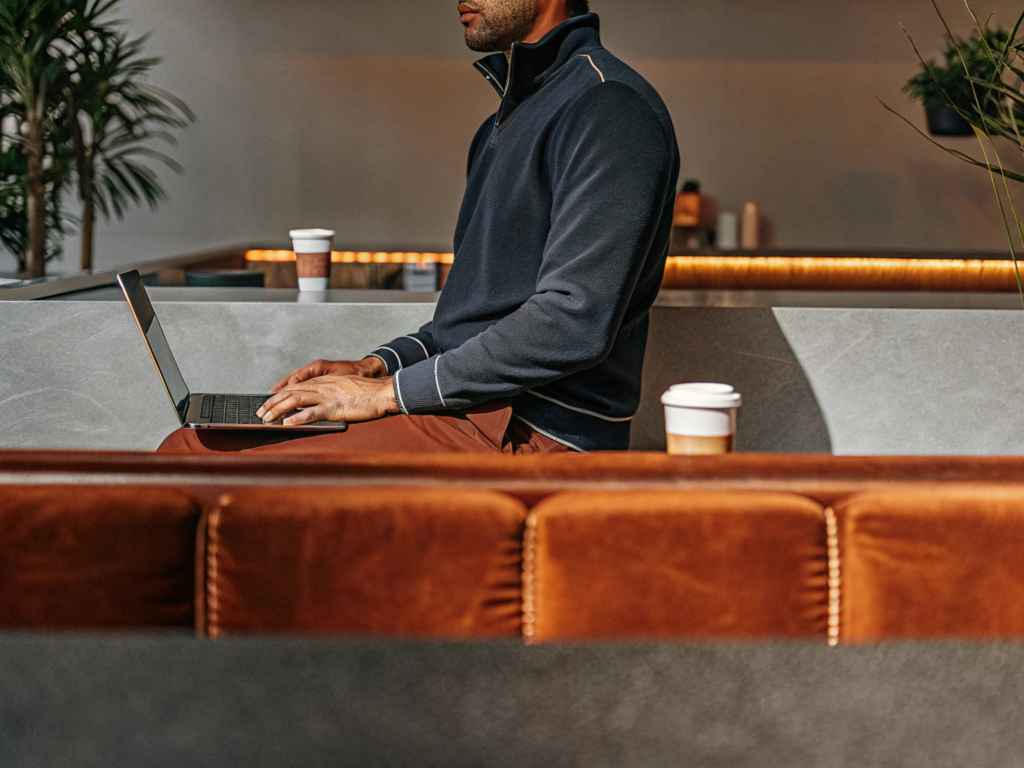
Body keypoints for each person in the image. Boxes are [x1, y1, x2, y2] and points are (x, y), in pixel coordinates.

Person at [159, 0, 680, 456]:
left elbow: (571, 320)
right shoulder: (503, 126)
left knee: (190, 457)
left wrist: (388, 396)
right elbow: (467, 324)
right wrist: (377, 368)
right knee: (195, 443)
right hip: (472, 414)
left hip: (530, 434)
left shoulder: (608, 107)